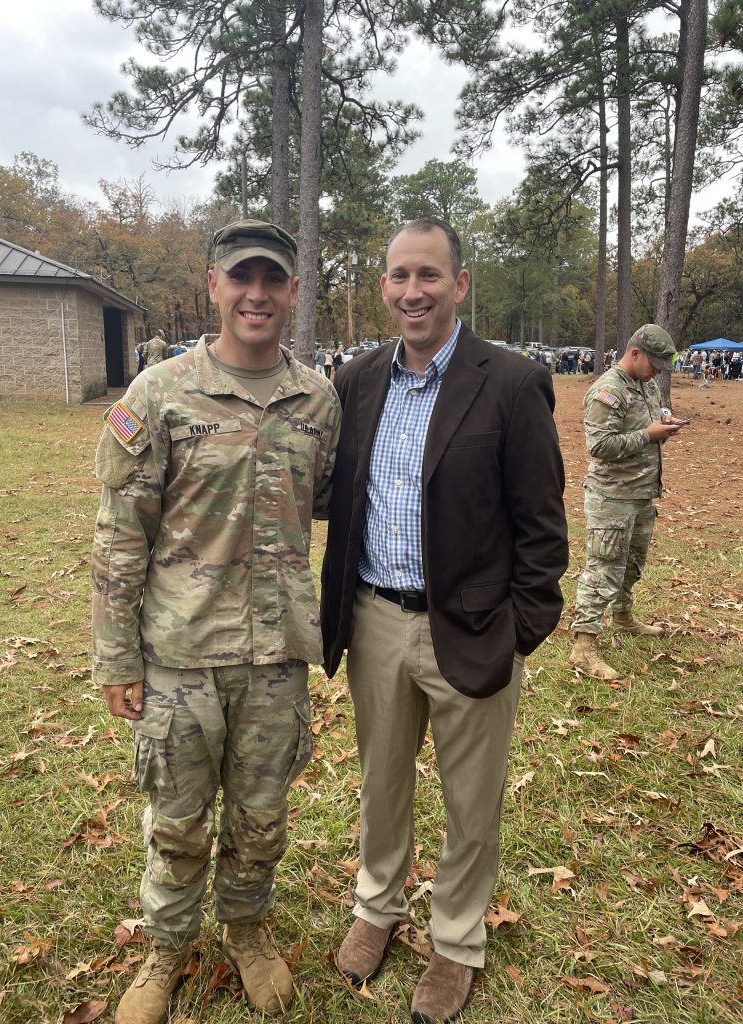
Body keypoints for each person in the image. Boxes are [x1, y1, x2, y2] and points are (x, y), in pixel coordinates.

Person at [91, 219, 341, 1024]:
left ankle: (245, 929)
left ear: (293, 291)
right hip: (180, 655)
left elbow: (328, 502)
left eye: (272, 280)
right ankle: (167, 948)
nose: (256, 294)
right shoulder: (159, 393)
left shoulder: (318, 400)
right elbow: (121, 533)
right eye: (241, 278)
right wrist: (115, 658)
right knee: (178, 821)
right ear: (213, 286)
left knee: (261, 820)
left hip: (275, 656)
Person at [320, 218, 568, 1023]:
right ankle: (377, 906)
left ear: (459, 284)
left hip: (474, 628)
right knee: (381, 785)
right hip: (375, 621)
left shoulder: (512, 383)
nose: (413, 291)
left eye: (429, 274)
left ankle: (456, 941)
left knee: (472, 801)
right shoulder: (357, 381)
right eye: (399, 276)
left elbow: (542, 526)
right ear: (383, 287)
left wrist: (519, 630)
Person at [569, 324, 687, 680]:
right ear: (635, 353)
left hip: (641, 492)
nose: (657, 373)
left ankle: (622, 617)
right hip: (612, 497)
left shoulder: (646, 385)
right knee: (604, 569)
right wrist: (647, 435)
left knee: (633, 564)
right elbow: (599, 445)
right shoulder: (608, 390)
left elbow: (644, 427)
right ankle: (583, 647)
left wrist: (663, 426)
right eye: (654, 365)